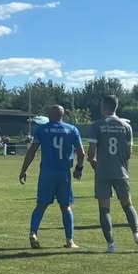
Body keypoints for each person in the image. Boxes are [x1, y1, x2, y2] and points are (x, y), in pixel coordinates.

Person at [86, 95, 138, 253]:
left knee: (104, 209)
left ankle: (111, 244)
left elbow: (91, 152)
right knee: (127, 205)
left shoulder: (97, 125)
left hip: (102, 173)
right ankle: (136, 234)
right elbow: (129, 153)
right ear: (116, 106)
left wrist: (93, 162)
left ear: (104, 106)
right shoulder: (126, 126)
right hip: (121, 172)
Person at [18, 105, 85, 249]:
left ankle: (33, 232)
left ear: (49, 114)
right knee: (66, 207)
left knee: (40, 206)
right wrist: (79, 168)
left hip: (47, 173)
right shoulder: (72, 130)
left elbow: (32, 151)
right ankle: (69, 241)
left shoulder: (41, 129)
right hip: (63, 173)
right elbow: (81, 153)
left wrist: (23, 170)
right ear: (63, 115)